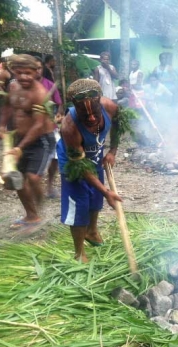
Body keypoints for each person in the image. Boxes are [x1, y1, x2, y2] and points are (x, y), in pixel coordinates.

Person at [57, 78, 122, 262]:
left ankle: (92, 232)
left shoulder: (110, 106)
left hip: (95, 153)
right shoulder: (69, 127)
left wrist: (113, 151)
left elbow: (118, 123)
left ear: (100, 101)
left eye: (94, 113)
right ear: (76, 109)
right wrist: (107, 191)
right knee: (80, 202)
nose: (92, 118)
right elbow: (81, 166)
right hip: (74, 163)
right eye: (85, 117)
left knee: (95, 197)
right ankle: (79, 253)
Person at [0, 54, 56, 228]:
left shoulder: (39, 93)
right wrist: (1, 127)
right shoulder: (13, 87)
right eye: (20, 72)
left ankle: (41, 206)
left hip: (41, 140)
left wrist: (19, 148)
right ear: (13, 71)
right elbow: (7, 106)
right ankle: (32, 216)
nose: (24, 77)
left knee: (33, 177)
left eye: (28, 73)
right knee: (17, 179)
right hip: (19, 138)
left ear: (36, 72)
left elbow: (38, 126)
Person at [34, 57, 64, 199]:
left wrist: (59, 113)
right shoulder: (24, 86)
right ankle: (34, 187)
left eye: (39, 68)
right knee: (36, 159)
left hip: (50, 127)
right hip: (32, 130)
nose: (36, 71)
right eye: (34, 68)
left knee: (56, 157)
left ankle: (50, 186)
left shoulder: (50, 85)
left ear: (42, 69)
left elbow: (59, 104)